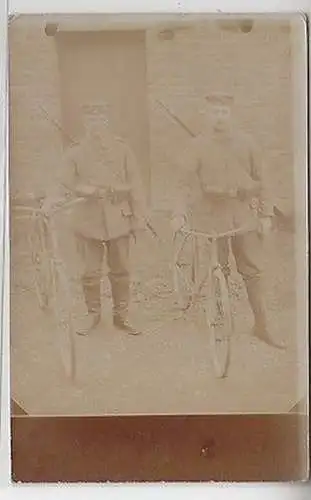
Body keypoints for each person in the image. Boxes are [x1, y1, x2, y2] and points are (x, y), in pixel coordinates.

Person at [171, 91, 286, 349]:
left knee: (253, 272)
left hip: (243, 216)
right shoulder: (196, 146)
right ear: (206, 114)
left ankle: (261, 325)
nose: (219, 118)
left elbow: (264, 180)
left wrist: (266, 214)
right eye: (214, 112)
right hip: (211, 218)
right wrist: (178, 213)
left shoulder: (247, 144)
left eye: (223, 112)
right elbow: (182, 184)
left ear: (231, 114)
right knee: (217, 269)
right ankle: (219, 320)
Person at [59, 102, 146, 336]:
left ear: (107, 122)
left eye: (100, 119)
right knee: (90, 271)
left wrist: (138, 218)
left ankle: (122, 315)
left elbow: (136, 184)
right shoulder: (75, 152)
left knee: (121, 270)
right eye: (91, 120)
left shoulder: (122, 150)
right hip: (88, 220)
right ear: (85, 123)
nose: (96, 125)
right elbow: (66, 180)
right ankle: (92, 315)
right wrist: (84, 188)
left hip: (119, 217)